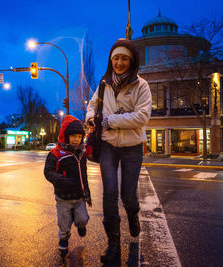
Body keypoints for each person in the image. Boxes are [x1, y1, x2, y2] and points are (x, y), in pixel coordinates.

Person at [86, 38, 152, 263]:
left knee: (127, 195)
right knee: (110, 193)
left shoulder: (141, 85)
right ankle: (113, 243)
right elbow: (93, 105)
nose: (120, 62)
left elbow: (142, 117)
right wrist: (91, 118)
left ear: (132, 60)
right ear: (110, 60)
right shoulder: (104, 83)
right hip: (108, 145)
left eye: (124, 58)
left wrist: (109, 120)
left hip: (133, 146)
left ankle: (133, 213)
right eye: (116, 58)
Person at [44, 115, 92, 258]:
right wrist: (60, 180)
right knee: (64, 223)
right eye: (73, 136)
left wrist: (87, 192)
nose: (76, 139)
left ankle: (80, 224)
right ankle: (63, 241)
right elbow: (48, 171)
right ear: (66, 135)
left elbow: (84, 175)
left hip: (79, 197)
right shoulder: (56, 154)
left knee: (83, 218)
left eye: (79, 136)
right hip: (63, 198)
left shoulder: (81, 154)